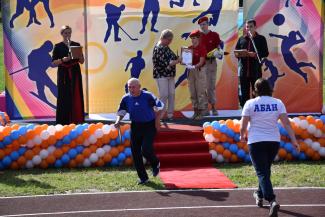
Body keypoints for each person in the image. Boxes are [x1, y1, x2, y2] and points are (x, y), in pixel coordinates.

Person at [240, 78, 299, 217]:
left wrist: (242, 136)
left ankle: (272, 200)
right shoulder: (278, 103)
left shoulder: (250, 103)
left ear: (255, 90)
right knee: (265, 170)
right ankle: (259, 194)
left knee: (261, 172)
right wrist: (294, 140)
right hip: (273, 142)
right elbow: (287, 124)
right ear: (270, 88)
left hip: (256, 142)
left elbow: (243, 124)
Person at [114, 78, 163, 184]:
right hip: (135, 126)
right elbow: (121, 111)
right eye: (129, 87)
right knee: (135, 153)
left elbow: (162, 107)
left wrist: (157, 122)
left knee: (146, 149)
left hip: (149, 125)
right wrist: (118, 121)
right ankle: (143, 178)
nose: (131, 89)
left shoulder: (148, 96)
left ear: (139, 86)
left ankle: (155, 163)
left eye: (133, 87)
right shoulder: (126, 98)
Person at [52, 25, 85, 125]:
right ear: (62, 34)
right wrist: (63, 59)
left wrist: (79, 56)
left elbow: (82, 61)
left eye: (69, 33)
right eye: (65, 33)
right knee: (63, 95)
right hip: (64, 73)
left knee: (76, 94)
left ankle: (77, 119)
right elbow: (53, 63)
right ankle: (63, 121)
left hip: (75, 72)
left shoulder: (76, 44)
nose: (67, 35)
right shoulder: (58, 46)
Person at [235, 19, 269, 107]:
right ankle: (245, 110)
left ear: (255, 27)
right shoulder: (241, 39)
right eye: (247, 27)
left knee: (257, 91)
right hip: (244, 71)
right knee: (244, 91)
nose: (248, 29)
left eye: (251, 27)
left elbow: (265, 52)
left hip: (255, 70)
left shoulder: (261, 39)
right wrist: (241, 54)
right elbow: (236, 52)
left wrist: (254, 55)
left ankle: (256, 108)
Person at [152, 29, 180, 120]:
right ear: (163, 38)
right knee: (164, 95)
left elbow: (172, 57)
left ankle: (170, 114)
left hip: (170, 75)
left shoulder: (166, 47)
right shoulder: (158, 48)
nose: (170, 42)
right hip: (161, 75)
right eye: (169, 40)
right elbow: (166, 63)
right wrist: (177, 61)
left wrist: (179, 58)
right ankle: (160, 115)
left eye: (170, 40)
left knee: (171, 94)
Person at [198, 16, 221, 115]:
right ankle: (205, 108)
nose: (202, 26)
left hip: (212, 63)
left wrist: (219, 53)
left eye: (204, 24)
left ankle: (213, 107)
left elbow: (219, 48)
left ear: (208, 24)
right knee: (203, 86)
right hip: (202, 63)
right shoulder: (198, 36)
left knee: (211, 86)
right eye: (200, 25)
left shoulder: (215, 35)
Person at [185, 30, 208, 120]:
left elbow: (201, 62)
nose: (193, 40)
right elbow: (185, 61)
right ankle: (195, 112)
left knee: (200, 92)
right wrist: (182, 60)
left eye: (194, 38)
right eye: (192, 38)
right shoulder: (189, 48)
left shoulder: (202, 48)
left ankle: (202, 113)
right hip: (191, 71)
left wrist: (193, 66)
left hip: (199, 70)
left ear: (198, 38)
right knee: (192, 92)